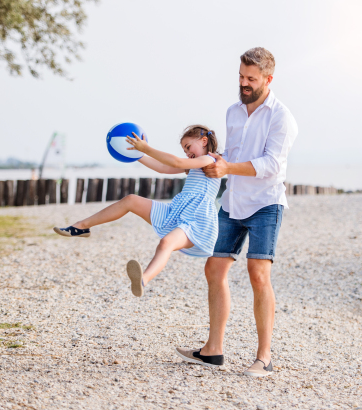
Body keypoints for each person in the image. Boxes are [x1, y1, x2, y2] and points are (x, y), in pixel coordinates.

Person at [175, 47, 298, 377]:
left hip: (266, 203)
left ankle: (265, 357)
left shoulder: (281, 117)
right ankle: (213, 351)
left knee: (258, 273)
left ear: (268, 79)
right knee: (214, 269)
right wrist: (211, 162)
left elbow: (272, 164)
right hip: (232, 203)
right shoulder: (233, 111)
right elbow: (232, 154)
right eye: (241, 77)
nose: (244, 83)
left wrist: (228, 166)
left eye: (251, 79)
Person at [53, 125, 221, 297]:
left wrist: (146, 148)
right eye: (184, 150)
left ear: (204, 141)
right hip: (177, 212)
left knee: (166, 243)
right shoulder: (192, 165)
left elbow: (176, 162)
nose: (186, 152)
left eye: (188, 147)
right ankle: (81, 226)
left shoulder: (209, 161)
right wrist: (136, 154)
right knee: (131, 200)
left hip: (196, 220)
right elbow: (163, 168)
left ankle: (143, 280)